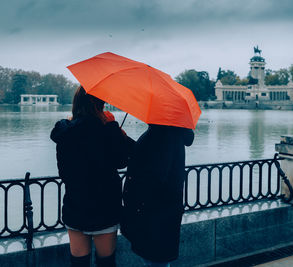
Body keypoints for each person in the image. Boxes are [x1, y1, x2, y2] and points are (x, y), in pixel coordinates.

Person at [50, 86, 134, 267]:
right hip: (104, 208)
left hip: (75, 205)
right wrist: (114, 128)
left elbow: (64, 173)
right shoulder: (105, 131)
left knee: (78, 263)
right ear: (97, 105)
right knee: (106, 262)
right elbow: (124, 160)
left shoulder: (64, 133)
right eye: (102, 103)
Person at [121, 124, 194, 267]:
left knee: (155, 261)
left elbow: (156, 174)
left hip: (156, 215)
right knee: (156, 260)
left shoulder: (164, 133)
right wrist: (124, 138)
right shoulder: (165, 131)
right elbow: (149, 156)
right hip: (160, 213)